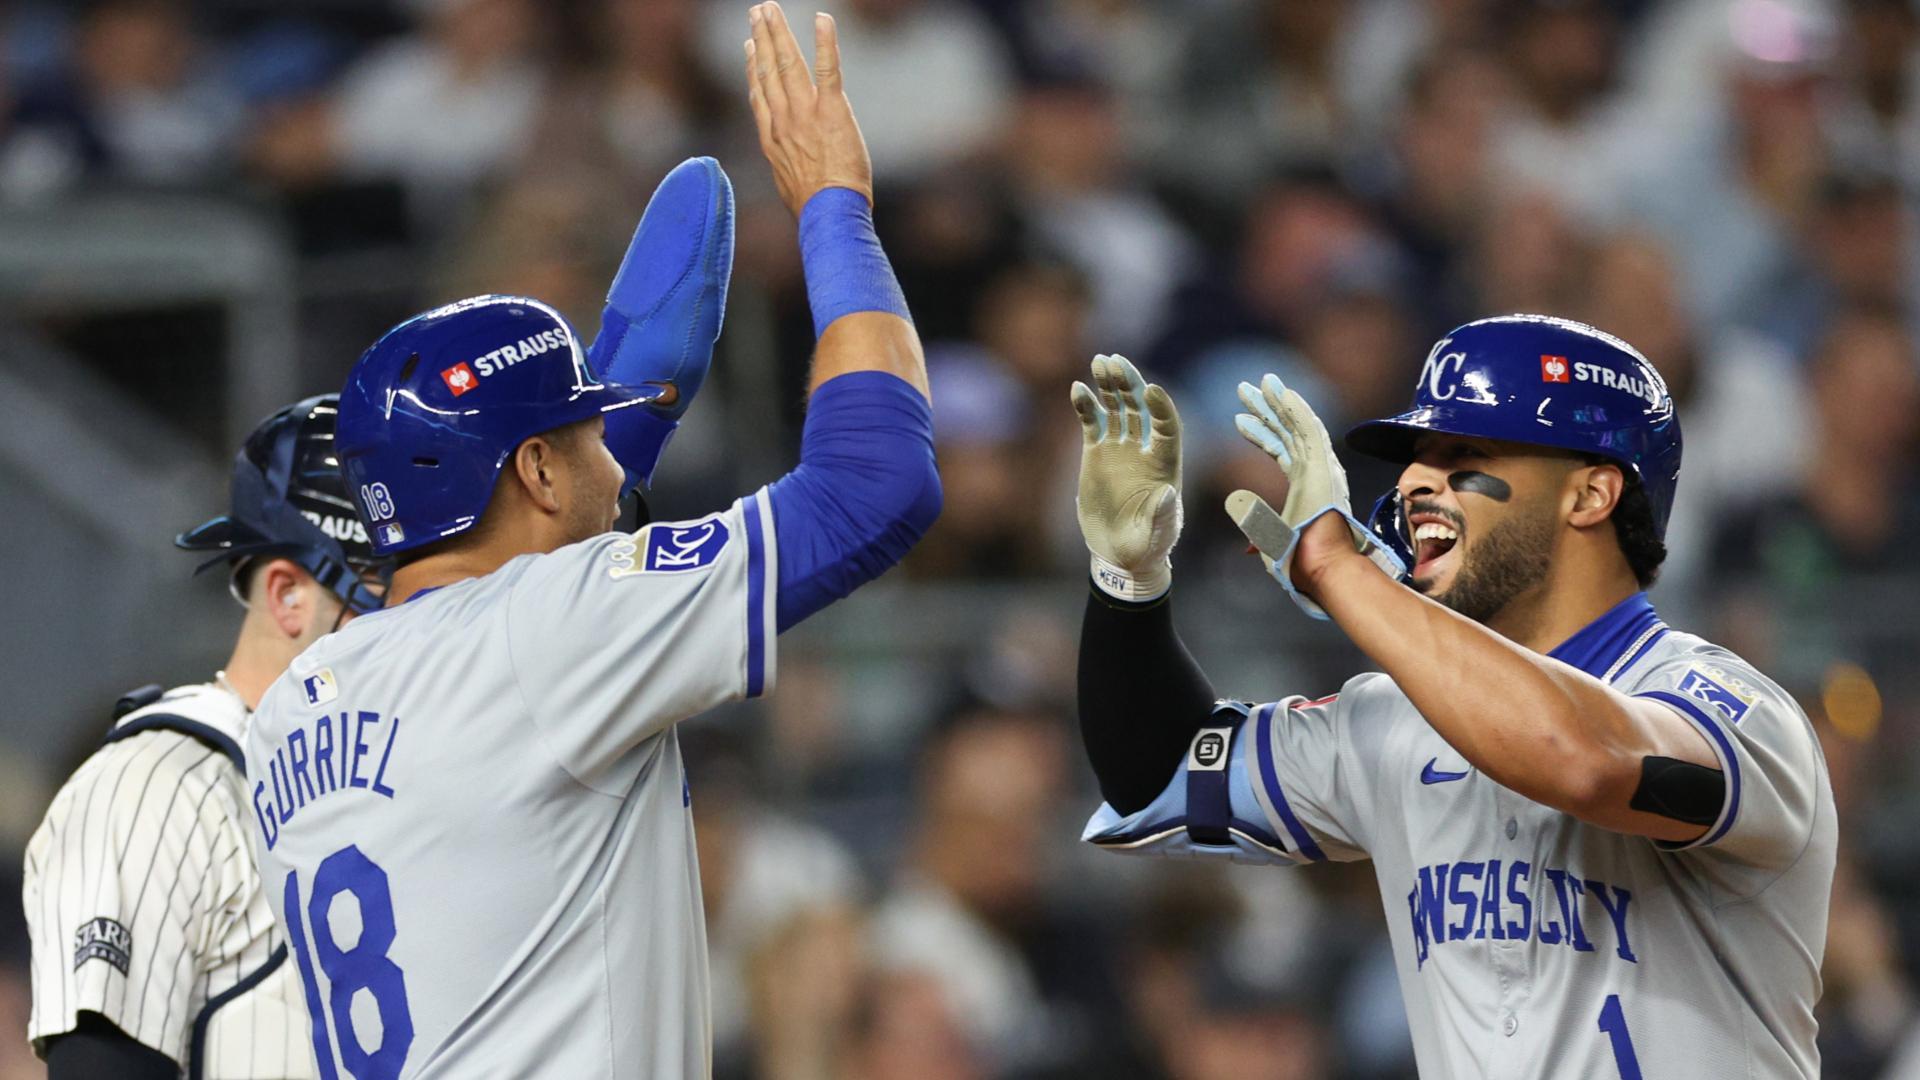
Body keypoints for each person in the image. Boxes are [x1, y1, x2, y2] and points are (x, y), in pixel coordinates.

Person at [242, 4, 939, 1076]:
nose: (619, 460)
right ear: (531, 469)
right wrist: (834, 210)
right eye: (586, 431)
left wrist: (602, 408)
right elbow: (875, 487)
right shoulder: (546, 636)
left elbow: (515, 580)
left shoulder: (297, 703)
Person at [1070, 317, 1836, 1077]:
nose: (1410, 483)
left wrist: (1342, 573)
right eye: (1414, 459)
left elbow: (1584, 761)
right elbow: (1160, 771)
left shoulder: (1732, 707)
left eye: (1462, 453)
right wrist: (1129, 587)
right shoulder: (1397, 717)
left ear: (1592, 494)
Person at [23, 396, 386, 1080]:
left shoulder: (427, 769)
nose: (429, 622)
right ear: (287, 596)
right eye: (390, 594)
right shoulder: (153, 787)